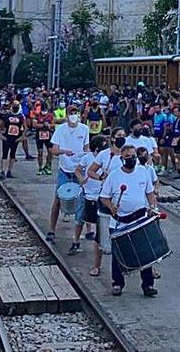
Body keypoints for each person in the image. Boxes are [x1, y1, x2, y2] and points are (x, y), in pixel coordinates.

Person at [100, 145, 159, 297]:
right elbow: (104, 197)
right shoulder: (114, 176)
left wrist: (153, 206)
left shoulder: (143, 172)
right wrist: (111, 206)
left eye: (134, 156)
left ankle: (147, 285)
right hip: (119, 221)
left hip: (140, 218)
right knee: (118, 254)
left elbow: (150, 193)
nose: (132, 159)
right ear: (122, 159)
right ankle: (118, 283)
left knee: (145, 253)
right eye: (128, 157)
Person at [49, 106, 90, 247]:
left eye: (76, 113)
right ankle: (51, 230)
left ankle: (86, 230)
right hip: (65, 169)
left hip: (79, 169)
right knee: (58, 199)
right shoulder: (60, 129)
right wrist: (63, 151)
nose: (74, 115)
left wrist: (86, 159)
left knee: (84, 199)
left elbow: (86, 147)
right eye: (71, 113)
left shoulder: (84, 129)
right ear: (67, 116)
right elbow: (53, 149)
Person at [76, 136, 108, 275]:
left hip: (101, 194)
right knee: (81, 219)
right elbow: (78, 170)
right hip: (88, 193)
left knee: (101, 223)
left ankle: (102, 245)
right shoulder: (88, 158)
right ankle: (75, 240)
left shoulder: (108, 158)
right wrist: (82, 179)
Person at [0, 100, 25, 179]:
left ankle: (9, 171)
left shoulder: (21, 116)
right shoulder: (7, 115)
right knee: (5, 153)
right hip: (7, 137)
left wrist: (22, 137)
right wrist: (0, 134)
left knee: (13, 154)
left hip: (15, 138)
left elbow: (25, 127)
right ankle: (3, 171)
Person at [33, 101, 55, 176]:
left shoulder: (50, 115)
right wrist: (43, 125)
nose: (44, 111)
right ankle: (40, 168)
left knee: (50, 151)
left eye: (45, 110)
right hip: (39, 135)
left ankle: (47, 166)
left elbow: (53, 124)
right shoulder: (37, 115)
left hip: (48, 135)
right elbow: (34, 124)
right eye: (43, 110)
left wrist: (49, 125)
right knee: (40, 152)